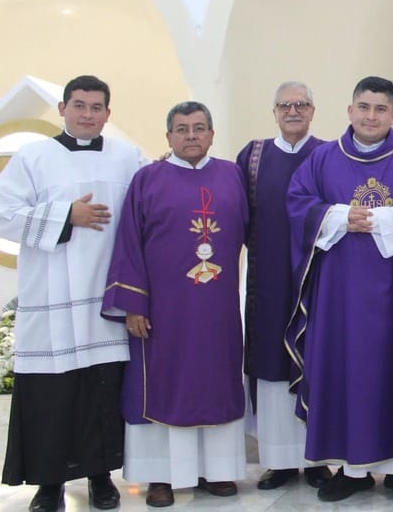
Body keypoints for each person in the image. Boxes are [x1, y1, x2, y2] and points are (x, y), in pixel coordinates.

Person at [0, 75, 144, 512]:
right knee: (53, 396)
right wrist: (66, 215)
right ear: (62, 109)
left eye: (96, 107)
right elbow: (2, 215)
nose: (87, 114)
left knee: (102, 389)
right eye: (79, 105)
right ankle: (49, 484)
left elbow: (148, 208)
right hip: (52, 299)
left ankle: (102, 479)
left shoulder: (126, 157)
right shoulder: (32, 157)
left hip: (105, 298)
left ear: (108, 114)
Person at [285, 76, 393, 503]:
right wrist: (335, 216)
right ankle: (351, 469)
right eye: (364, 107)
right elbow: (298, 204)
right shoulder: (321, 161)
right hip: (338, 295)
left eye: (380, 109)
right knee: (343, 368)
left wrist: (385, 218)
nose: (371, 116)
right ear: (350, 111)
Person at [102, 101, 248, 507]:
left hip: (217, 309)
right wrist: (133, 305)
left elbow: (256, 234)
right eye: (181, 129)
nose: (191, 136)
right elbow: (129, 244)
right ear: (168, 137)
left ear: (212, 135)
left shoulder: (232, 176)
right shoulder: (147, 179)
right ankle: (160, 476)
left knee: (216, 382)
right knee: (163, 385)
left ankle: (216, 470)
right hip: (163, 312)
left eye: (199, 128)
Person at [236, 81, 328, 490]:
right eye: (284, 105)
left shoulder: (328, 155)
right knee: (273, 367)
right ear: (273, 111)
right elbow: (230, 208)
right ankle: (279, 460)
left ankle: (318, 458)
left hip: (318, 277)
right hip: (268, 281)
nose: (293, 111)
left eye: (301, 105)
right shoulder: (253, 156)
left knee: (317, 361)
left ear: (313, 111)